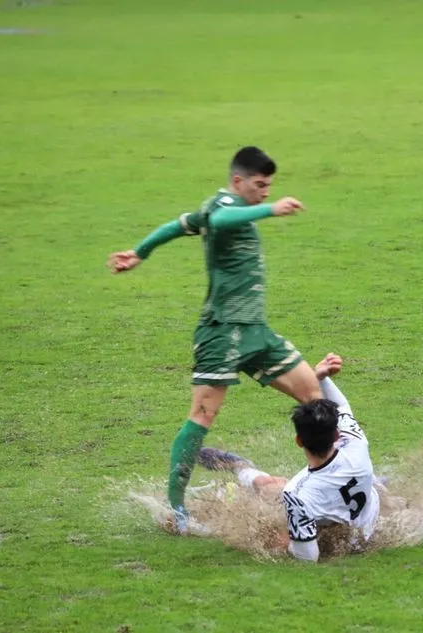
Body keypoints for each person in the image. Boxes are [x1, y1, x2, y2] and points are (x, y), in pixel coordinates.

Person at [107, 146, 324, 532]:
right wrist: (269, 211)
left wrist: (140, 252)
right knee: (203, 414)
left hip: (255, 330)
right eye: (259, 186)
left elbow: (180, 224)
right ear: (238, 181)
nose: (264, 193)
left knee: (316, 399)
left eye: (269, 188)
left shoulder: (216, 209)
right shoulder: (223, 206)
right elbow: (221, 219)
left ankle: (331, 483)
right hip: (222, 331)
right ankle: (177, 511)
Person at [197, 353, 380, 562]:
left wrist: (276, 542)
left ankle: (241, 468)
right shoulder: (355, 443)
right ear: (337, 435)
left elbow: (308, 557)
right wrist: (321, 379)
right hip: (369, 514)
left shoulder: (297, 493)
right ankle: (241, 468)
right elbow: (342, 407)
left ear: (299, 441)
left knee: (272, 494)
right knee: (275, 488)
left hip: (347, 538)